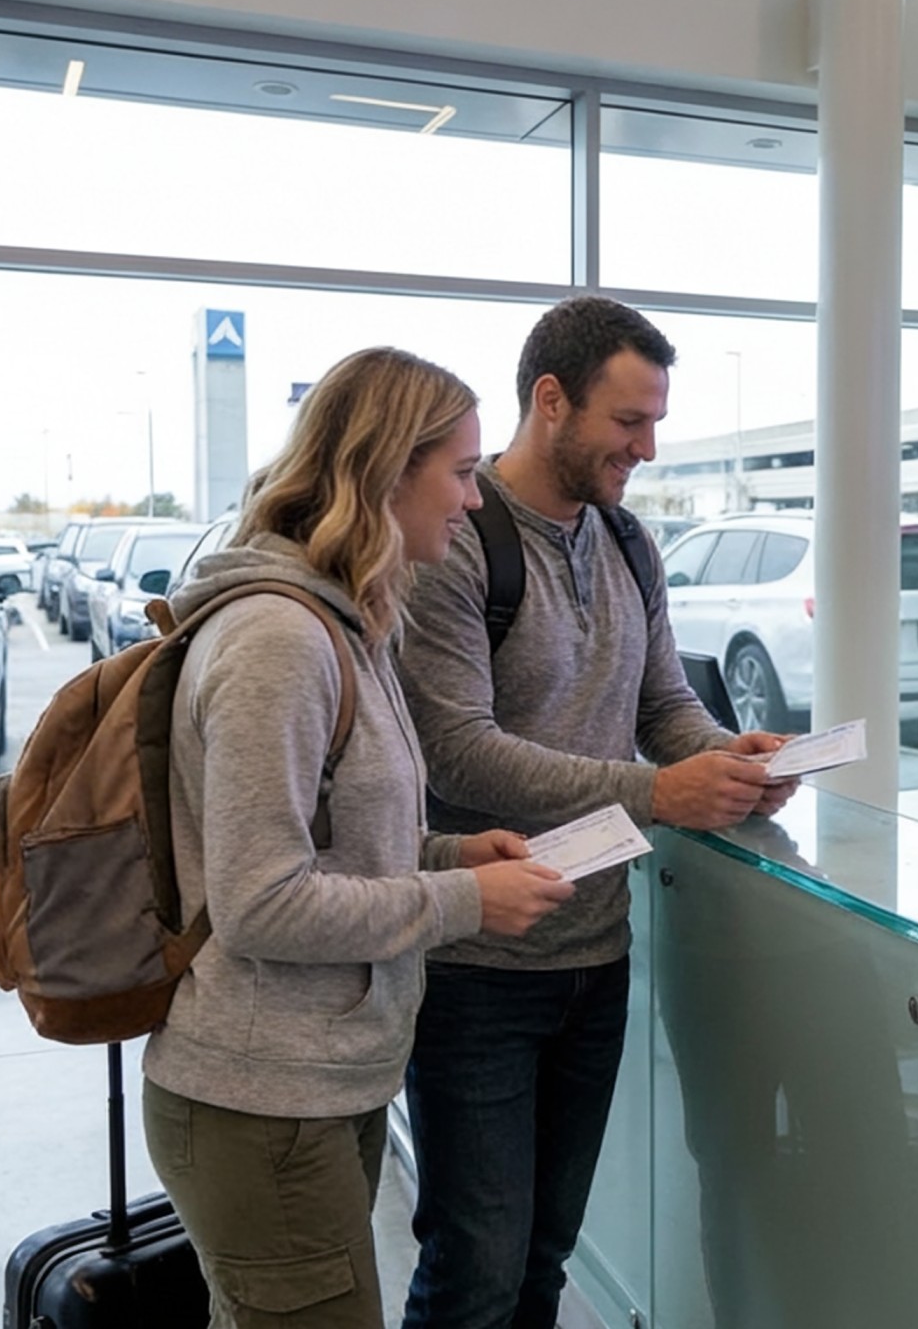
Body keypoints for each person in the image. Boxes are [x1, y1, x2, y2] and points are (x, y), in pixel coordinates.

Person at [141, 347, 576, 1329]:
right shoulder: (279, 640)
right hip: (261, 1095)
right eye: (461, 472)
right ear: (385, 468)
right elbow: (262, 899)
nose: (473, 501)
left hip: (318, 1084)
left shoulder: (346, 625)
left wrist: (450, 855)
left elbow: (328, 844)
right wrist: (465, 903)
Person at [396, 296, 797, 1329]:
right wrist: (658, 792)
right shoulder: (455, 540)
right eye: (628, 422)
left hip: (595, 952)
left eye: (655, 421)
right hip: (479, 963)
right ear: (550, 400)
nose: (647, 447)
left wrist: (729, 756)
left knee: (542, 1258)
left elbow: (661, 703)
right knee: (472, 1269)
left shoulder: (626, 540)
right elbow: (458, 746)